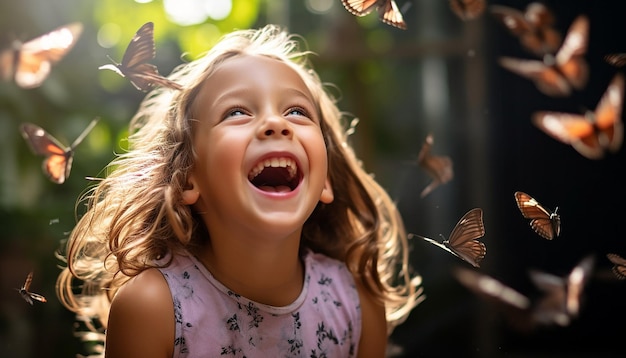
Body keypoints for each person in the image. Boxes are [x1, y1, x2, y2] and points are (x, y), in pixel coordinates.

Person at [56, 24, 423, 358]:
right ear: (186, 179)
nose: (275, 123)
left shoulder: (356, 304)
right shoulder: (153, 307)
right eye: (236, 113)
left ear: (325, 180)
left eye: (297, 111)